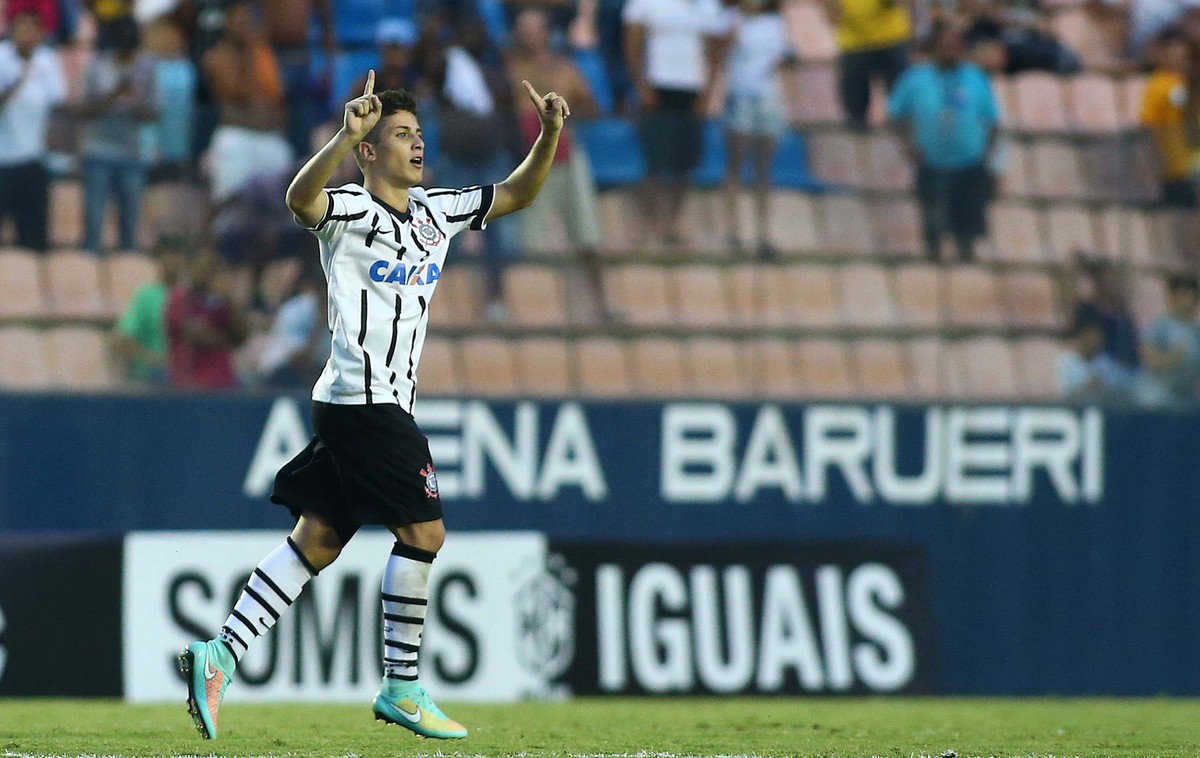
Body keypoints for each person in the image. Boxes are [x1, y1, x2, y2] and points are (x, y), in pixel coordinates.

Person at [178, 70, 570, 741]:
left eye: (419, 133)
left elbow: (518, 192)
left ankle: (221, 655)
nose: (417, 144)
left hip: (356, 404)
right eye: (401, 135)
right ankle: (402, 687)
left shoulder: (438, 212)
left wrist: (550, 135)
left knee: (319, 539)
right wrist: (341, 137)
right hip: (366, 401)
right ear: (369, 150)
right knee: (425, 534)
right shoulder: (351, 212)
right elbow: (300, 201)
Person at [505, 7, 612, 316]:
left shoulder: (565, 68)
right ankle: (524, 310)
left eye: (533, 29)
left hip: (565, 153)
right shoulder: (508, 68)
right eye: (523, 29)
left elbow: (591, 107)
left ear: (545, 33)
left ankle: (601, 304)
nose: (527, 35)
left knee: (587, 232)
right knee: (526, 240)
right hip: (527, 159)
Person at [888, 20, 999, 262]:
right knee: (932, 217)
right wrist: (908, 146)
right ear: (934, 48)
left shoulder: (976, 77)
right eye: (945, 45)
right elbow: (896, 114)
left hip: (969, 162)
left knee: (968, 220)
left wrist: (987, 155)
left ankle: (966, 259)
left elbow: (991, 120)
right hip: (931, 162)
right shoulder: (915, 78)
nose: (950, 51)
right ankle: (933, 259)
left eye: (955, 46)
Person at [623, 0, 725, 248]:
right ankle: (647, 225)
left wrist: (708, 92)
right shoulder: (644, 4)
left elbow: (713, 52)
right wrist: (642, 87)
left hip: (690, 89)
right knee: (655, 162)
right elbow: (632, 46)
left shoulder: (707, 6)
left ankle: (672, 224)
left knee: (684, 163)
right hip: (658, 87)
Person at [76, 16, 158, 254]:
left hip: (132, 153)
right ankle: (90, 265)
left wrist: (134, 99)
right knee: (94, 223)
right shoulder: (97, 66)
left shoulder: (147, 67)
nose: (126, 54)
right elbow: (82, 111)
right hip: (98, 151)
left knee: (130, 225)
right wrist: (113, 95)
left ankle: (127, 267)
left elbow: (154, 114)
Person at [201, 0, 292, 205]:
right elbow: (243, 93)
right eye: (237, 17)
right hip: (236, 138)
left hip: (270, 137)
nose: (242, 22)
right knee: (228, 204)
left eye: (246, 17)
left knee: (281, 207)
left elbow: (276, 96)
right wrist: (251, 51)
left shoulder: (264, 54)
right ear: (226, 21)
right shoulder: (214, 57)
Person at [720, 0, 790, 258]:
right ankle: (733, 232)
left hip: (767, 97)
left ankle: (763, 234)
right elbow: (717, 53)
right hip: (740, 95)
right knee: (735, 165)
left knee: (764, 169)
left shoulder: (775, 24)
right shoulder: (730, 20)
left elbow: (780, 60)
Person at [0, 10, 65, 252]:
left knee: (33, 236)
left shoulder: (48, 60)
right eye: (21, 28)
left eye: (32, 29)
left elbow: (58, 104)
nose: (26, 34)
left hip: (35, 158)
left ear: (41, 34)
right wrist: (16, 83)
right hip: (3, 159)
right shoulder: (1, 57)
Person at [261, 0, 335, 159]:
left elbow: (326, 18)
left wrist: (328, 64)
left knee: (303, 111)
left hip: (301, 52)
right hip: (271, 53)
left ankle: (303, 160)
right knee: (275, 109)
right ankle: (279, 162)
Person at [166, 249, 248, 390]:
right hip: (190, 382)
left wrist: (228, 300)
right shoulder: (181, 298)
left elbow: (241, 335)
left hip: (223, 379)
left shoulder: (221, 301)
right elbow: (195, 334)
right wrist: (226, 339)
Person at [823, 0, 912, 130]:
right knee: (854, 103)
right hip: (853, 40)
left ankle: (904, 129)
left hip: (891, 35)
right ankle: (858, 131)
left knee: (902, 92)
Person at [114, 243, 187, 385]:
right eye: (168, 258)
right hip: (153, 373)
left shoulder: (190, 295)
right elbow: (122, 340)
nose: (172, 263)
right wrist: (153, 358)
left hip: (185, 372)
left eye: (176, 258)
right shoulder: (146, 296)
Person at [1141, 29, 1196, 210]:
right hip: (1174, 170)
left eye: (1183, 51)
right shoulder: (1158, 85)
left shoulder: (1189, 82)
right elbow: (1149, 125)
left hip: (1190, 163)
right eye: (1173, 50)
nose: (1180, 56)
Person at [254, 261, 329, 389]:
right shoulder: (296, 309)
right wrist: (320, 325)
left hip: (316, 373)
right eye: (322, 287)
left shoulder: (342, 309)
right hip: (278, 373)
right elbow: (298, 358)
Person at [1137, 273, 1200, 407]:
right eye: (1182, 296)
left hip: (1187, 398)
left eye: (1191, 296)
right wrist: (1172, 359)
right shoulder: (1159, 327)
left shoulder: (1196, 332)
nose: (1187, 301)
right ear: (1171, 297)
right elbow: (1149, 359)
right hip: (1158, 398)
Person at [1056, 315, 1133, 402]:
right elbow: (1065, 396)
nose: (1095, 341)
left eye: (1098, 337)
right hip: (1074, 408)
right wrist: (1086, 387)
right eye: (1090, 337)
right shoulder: (1066, 362)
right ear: (1081, 336)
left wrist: (1104, 386)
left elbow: (1120, 388)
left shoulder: (1105, 361)